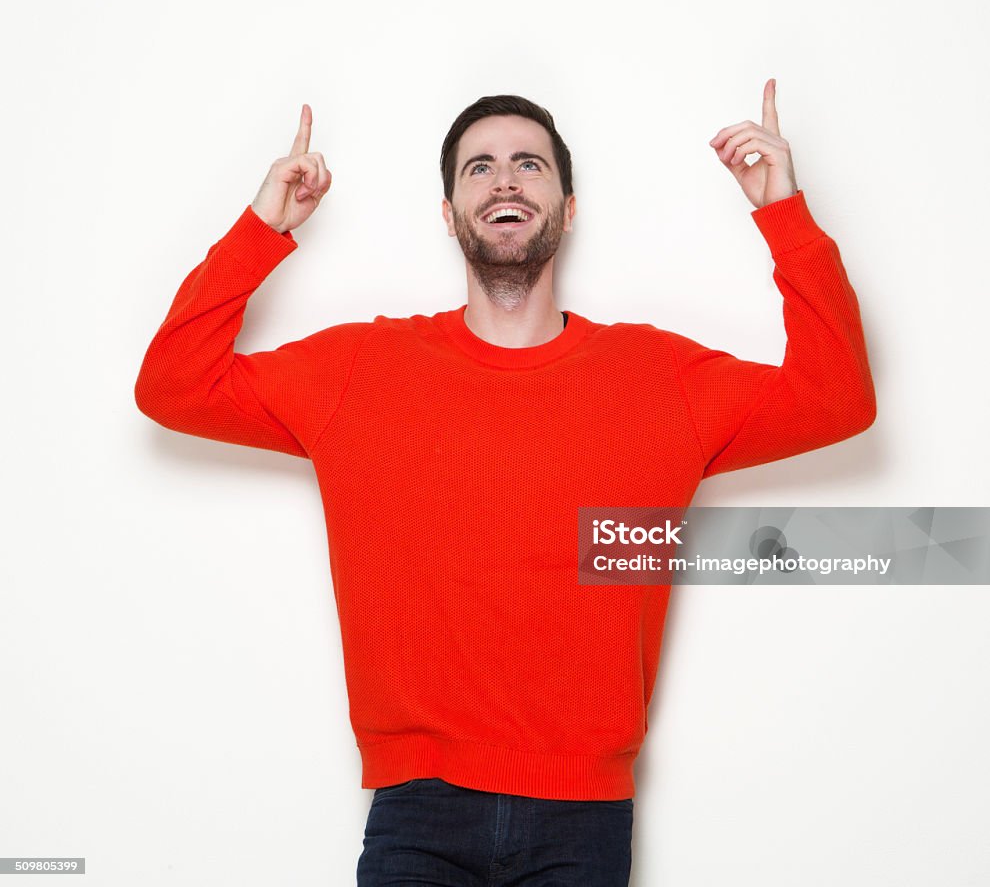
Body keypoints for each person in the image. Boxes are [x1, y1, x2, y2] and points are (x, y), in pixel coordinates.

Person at [134, 81, 877, 886]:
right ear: (450, 214)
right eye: (478, 168)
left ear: (569, 206)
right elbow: (172, 385)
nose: (506, 180)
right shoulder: (360, 371)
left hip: (585, 820)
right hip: (416, 809)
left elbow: (838, 400)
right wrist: (262, 228)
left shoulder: (658, 378)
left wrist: (784, 213)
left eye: (530, 164)